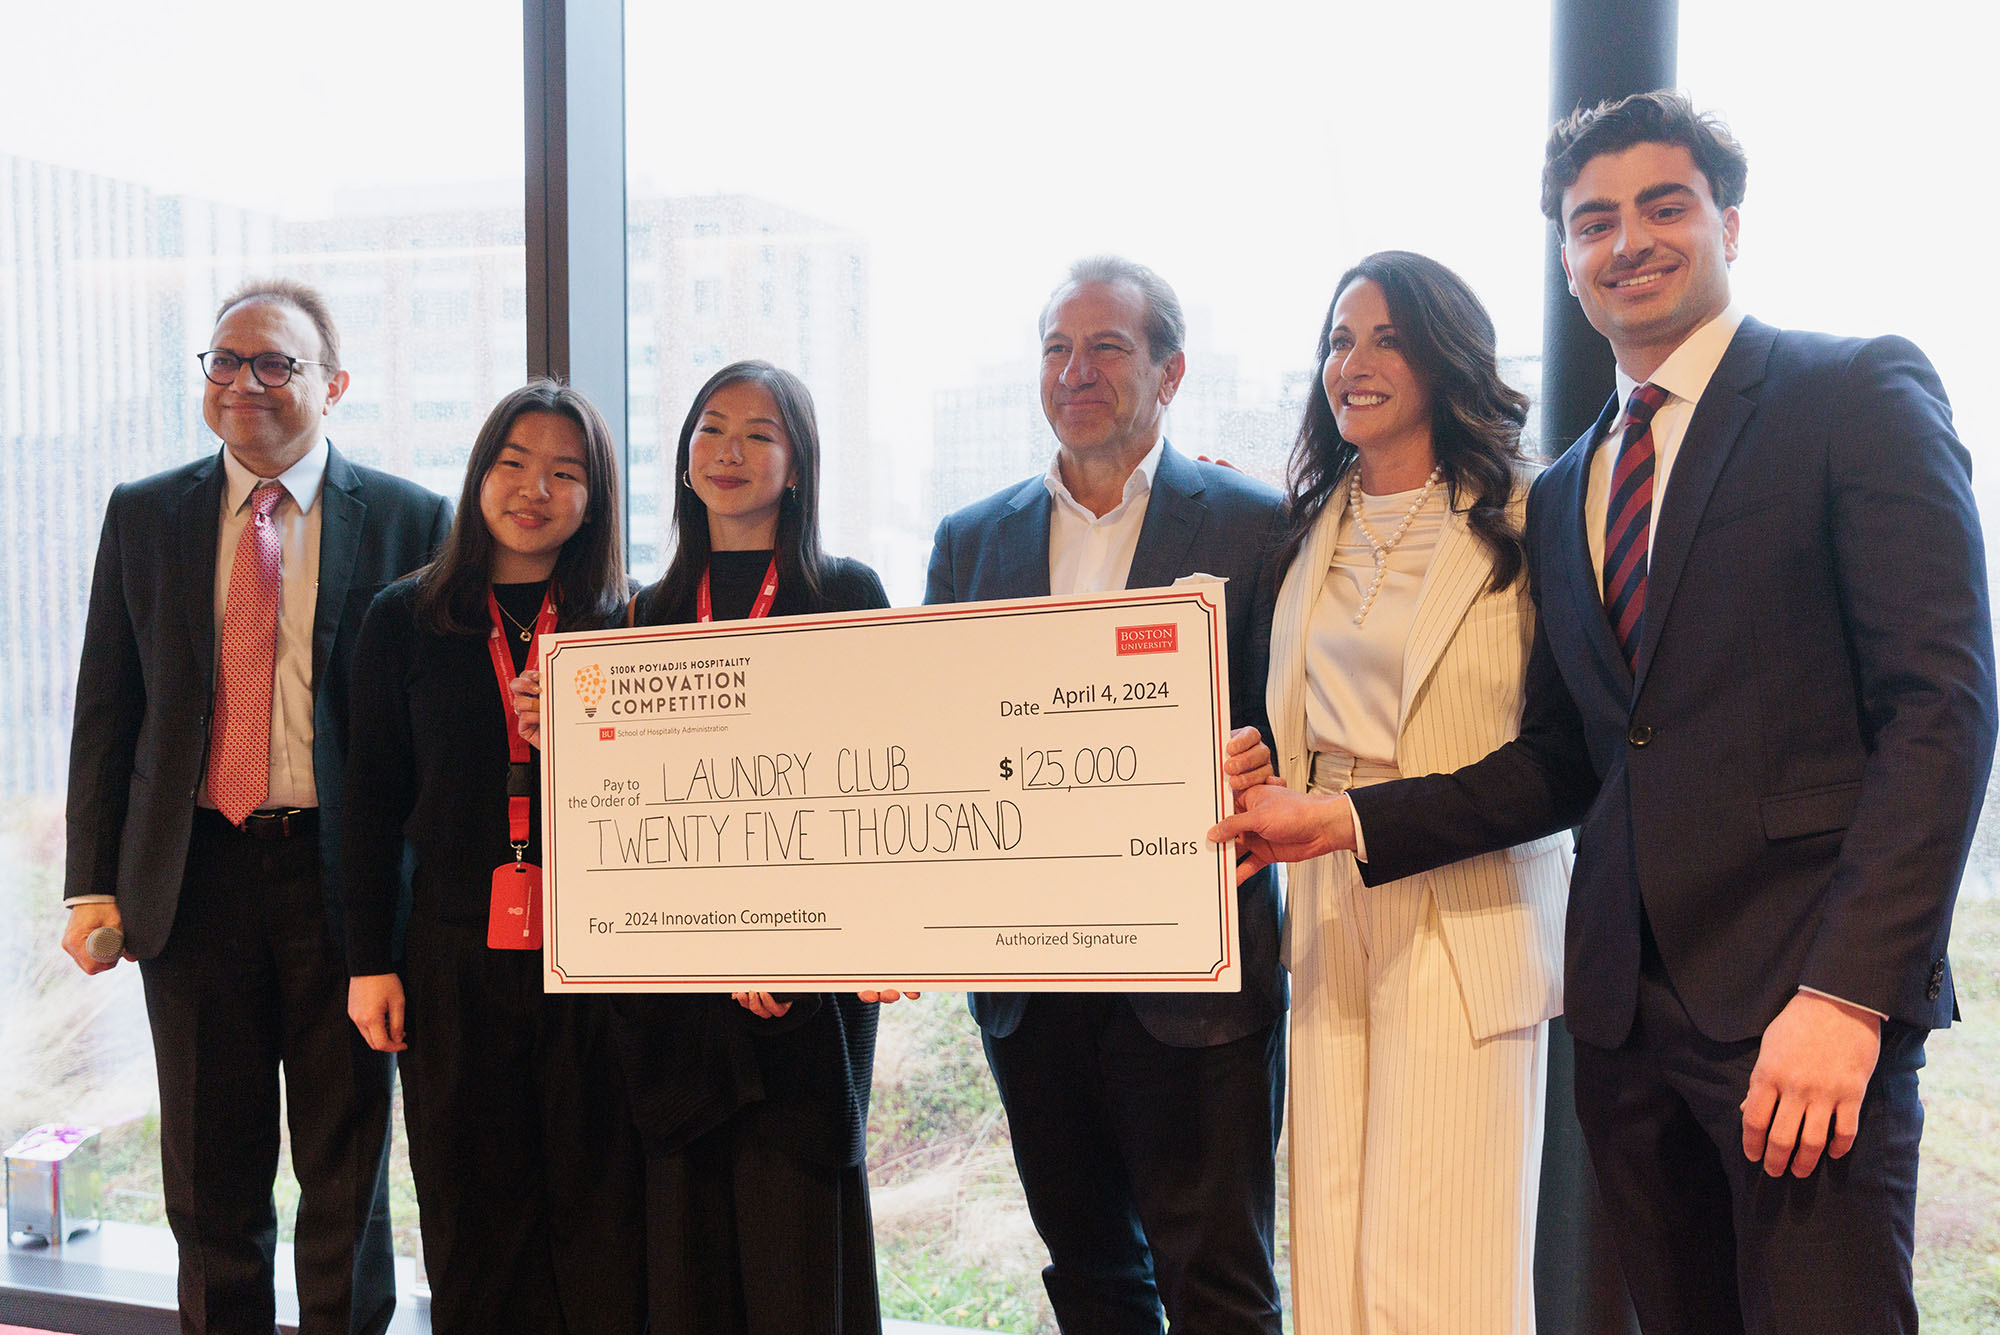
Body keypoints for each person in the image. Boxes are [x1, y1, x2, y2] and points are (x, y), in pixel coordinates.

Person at [1212, 91, 1996, 1334]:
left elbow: (1940, 710)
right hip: (1625, 1027)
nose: (1624, 241)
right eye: (1591, 221)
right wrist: (1342, 822)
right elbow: (1571, 760)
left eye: (1660, 206)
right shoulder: (1573, 483)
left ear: (1728, 224)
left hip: (1800, 1007)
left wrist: (1848, 994)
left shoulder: (1849, 392)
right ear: (1566, 260)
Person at [61, 278, 452, 1334]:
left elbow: (431, 729)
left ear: (333, 385)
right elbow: (109, 708)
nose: (246, 383)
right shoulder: (146, 515)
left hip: (346, 882)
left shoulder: (413, 519)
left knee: (345, 1176)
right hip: (191, 878)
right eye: (226, 362)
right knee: (208, 1181)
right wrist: (90, 885)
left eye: (275, 363)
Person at [926, 256, 1287, 1333]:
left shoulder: (1255, 523)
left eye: (1106, 347)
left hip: (1193, 981)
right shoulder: (968, 539)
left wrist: (1264, 765)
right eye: (1055, 347)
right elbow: (938, 734)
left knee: (1217, 1280)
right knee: (1086, 1277)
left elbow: (1296, 723)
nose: (1074, 371)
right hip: (1030, 986)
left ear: (1168, 372)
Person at [517, 359, 893, 1333]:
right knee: (685, 1255)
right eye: (709, 429)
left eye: (758, 434)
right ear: (683, 456)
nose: (728, 452)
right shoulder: (633, 616)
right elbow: (613, 812)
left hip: (801, 984)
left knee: (796, 1252)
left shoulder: (845, 593)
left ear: (798, 463)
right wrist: (555, 729)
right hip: (672, 993)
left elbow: (879, 777)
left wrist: (804, 946)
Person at [1241, 251, 1567, 1333]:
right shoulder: (1301, 528)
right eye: (1338, 339)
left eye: (1385, 337)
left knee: (1440, 1274)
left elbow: (1559, 766)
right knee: (1329, 1256)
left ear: (1444, 355)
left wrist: (1338, 818)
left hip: (1466, 916)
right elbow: (1281, 717)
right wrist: (1258, 775)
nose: (1353, 362)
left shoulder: (1530, 518)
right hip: (1324, 907)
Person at [338, 381, 645, 1332]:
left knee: (599, 1210)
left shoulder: (627, 619)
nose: (534, 489)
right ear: (478, 477)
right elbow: (369, 802)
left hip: (594, 954)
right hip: (452, 948)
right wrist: (367, 960)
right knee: (472, 1210)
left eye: (565, 471)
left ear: (594, 498)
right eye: (513, 463)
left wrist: (589, 739)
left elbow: (665, 795)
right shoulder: (408, 616)